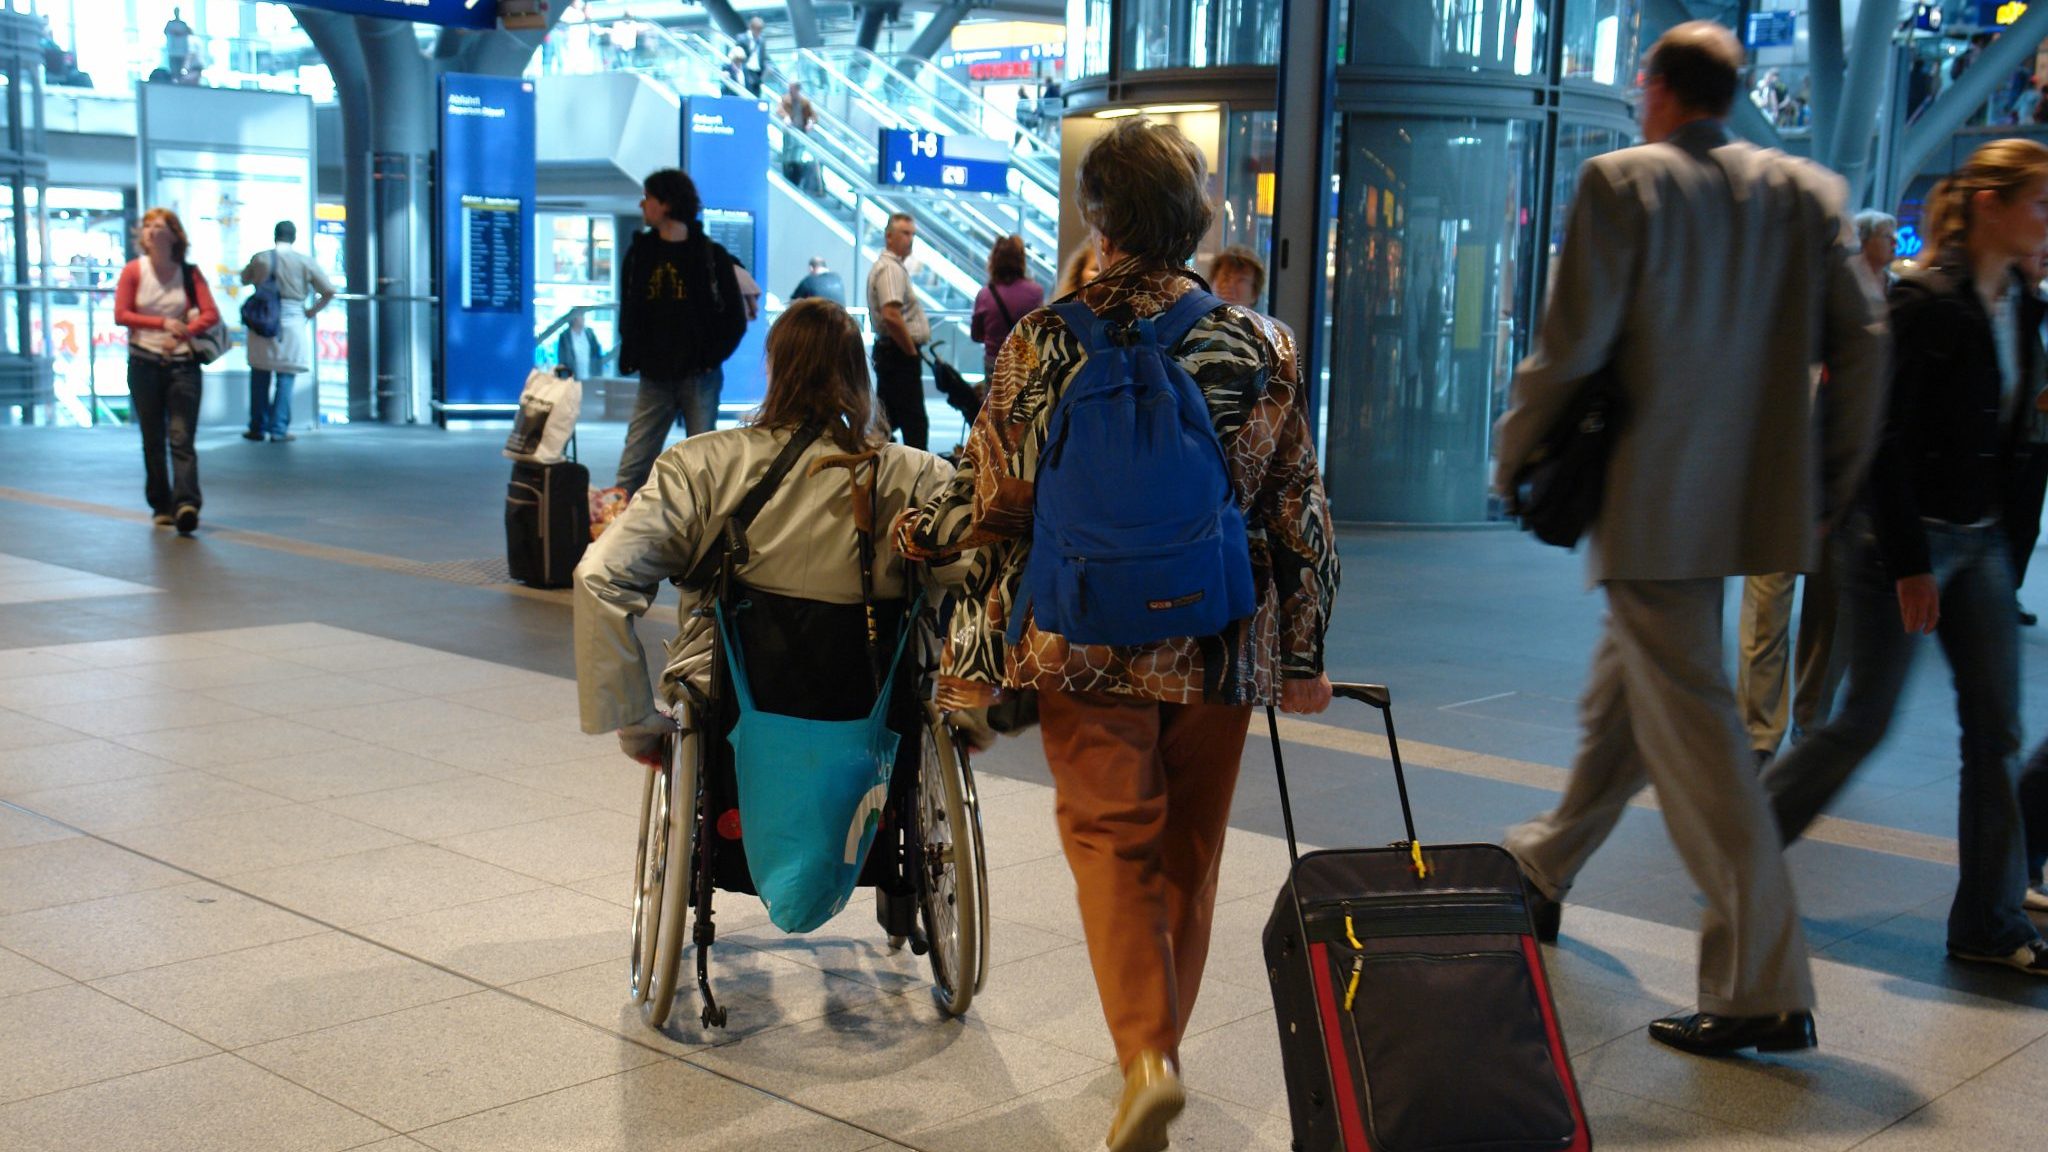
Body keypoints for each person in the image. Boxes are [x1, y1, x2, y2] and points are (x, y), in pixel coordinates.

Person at [894, 117, 1338, 1152]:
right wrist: (1305, 652)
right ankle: (1152, 1055)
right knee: (1186, 848)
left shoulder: (1041, 340)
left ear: (1097, 218)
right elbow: (1296, 510)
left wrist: (917, 532)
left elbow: (993, 501)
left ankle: (1146, 1058)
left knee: (1109, 837)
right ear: (1196, 222)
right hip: (1216, 638)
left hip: (1077, 635)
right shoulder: (1256, 342)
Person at [1492, 23, 1888, 1055]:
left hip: (1651, 498)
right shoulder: (1809, 194)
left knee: (1702, 745)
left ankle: (1761, 982)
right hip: (1754, 499)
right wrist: (1826, 484)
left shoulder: (1623, 182)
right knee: (1625, 700)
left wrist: (1512, 450)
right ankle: (1539, 867)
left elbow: (1570, 342)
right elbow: (1864, 344)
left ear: (1655, 90)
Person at [1762, 138, 2048, 979]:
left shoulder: (2019, 300)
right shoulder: (1926, 300)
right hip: (1901, 539)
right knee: (1863, 720)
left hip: (1981, 539)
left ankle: (1990, 925)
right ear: (1991, 205)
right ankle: (1739, 848)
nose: (2047, 218)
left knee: (1995, 730)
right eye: (2037, 201)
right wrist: (1913, 563)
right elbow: (1882, 439)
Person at [574, 298, 954, 761]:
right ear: (860, 373)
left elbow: (601, 575)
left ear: (774, 369)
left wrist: (632, 718)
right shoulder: (920, 477)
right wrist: (976, 711)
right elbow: (987, 579)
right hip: (879, 698)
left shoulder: (699, 467)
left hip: (731, 701)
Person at [614, 168, 750, 496]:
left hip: (698, 376)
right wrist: (634, 353)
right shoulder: (640, 253)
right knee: (633, 462)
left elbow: (735, 320)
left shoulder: (709, 256)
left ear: (667, 204)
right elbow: (629, 307)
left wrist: (708, 359)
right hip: (654, 376)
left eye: (649, 197)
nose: (642, 203)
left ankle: (702, 537)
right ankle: (615, 530)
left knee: (702, 466)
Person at [116, 207, 221, 536]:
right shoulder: (134, 271)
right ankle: (160, 504)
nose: (150, 231)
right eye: (146, 226)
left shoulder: (189, 274)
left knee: (181, 436)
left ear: (174, 235)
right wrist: (162, 322)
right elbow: (122, 314)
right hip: (144, 361)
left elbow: (211, 314)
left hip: (182, 364)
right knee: (152, 437)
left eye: (158, 226)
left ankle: (186, 504)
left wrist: (183, 331)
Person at [239, 220, 335, 444]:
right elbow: (329, 290)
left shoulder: (260, 257)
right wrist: (310, 312)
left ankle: (257, 426)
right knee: (286, 376)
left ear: (275, 235)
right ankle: (279, 429)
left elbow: (244, 278)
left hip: (262, 319)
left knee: (260, 374)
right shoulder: (304, 261)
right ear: (294, 237)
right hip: (292, 321)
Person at [866, 212, 931, 450]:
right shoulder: (891, 269)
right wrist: (911, 352)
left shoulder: (891, 267)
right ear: (889, 237)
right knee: (915, 424)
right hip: (899, 354)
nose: (910, 239)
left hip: (892, 353)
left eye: (912, 234)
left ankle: (874, 469)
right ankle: (920, 480)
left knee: (886, 421)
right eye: (905, 233)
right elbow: (891, 314)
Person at [969, 235, 1043, 380]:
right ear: (1021, 260)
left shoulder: (985, 295)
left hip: (995, 364)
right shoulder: (1036, 293)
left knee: (995, 401)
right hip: (1024, 364)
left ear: (994, 260)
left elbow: (976, 335)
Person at [556, 308, 606, 380]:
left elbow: (597, 355)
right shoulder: (565, 336)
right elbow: (562, 359)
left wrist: (598, 374)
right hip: (572, 379)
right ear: (574, 319)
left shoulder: (590, 333)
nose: (583, 318)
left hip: (590, 378)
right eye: (581, 316)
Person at [739, 16, 770, 95]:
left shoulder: (761, 41)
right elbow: (738, 55)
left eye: (760, 29)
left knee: (756, 95)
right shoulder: (742, 38)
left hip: (758, 72)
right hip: (746, 70)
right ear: (752, 28)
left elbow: (763, 56)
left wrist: (766, 68)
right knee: (747, 95)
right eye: (758, 29)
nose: (759, 32)